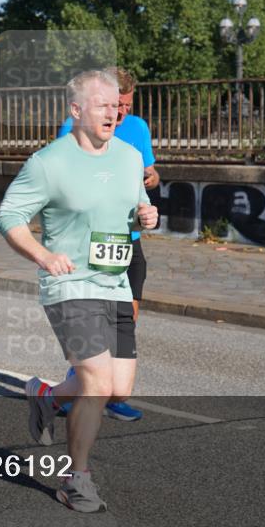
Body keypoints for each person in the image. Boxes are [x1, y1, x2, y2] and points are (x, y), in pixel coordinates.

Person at [0, 69, 158, 513]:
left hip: (116, 282)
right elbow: (8, 217)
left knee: (118, 389)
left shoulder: (127, 157)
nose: (113, 112)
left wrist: (146, 216)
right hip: (68, 285)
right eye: (102, 105)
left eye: (115, 105)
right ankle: (77, 480)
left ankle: (46, 397)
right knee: (96, 381)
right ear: (76, 110)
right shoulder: (49, 162)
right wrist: (43, 257)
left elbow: (135, 207)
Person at [57, 67, 158, 422]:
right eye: (116, 104)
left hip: (127, 242)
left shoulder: (138, 128)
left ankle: (113, 395)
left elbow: (149, 170)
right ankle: (78, 385)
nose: (121, 113)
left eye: (127, 106)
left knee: (124, 318)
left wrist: (150, 177)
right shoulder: (75, 127)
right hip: (87, 243)